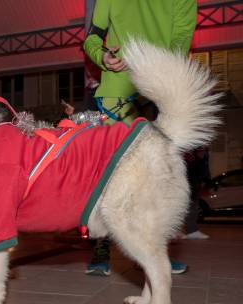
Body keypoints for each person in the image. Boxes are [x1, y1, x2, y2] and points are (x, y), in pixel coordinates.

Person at [83, 0, 197, 276]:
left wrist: (156, 67)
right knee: (106, 173)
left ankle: (153, 252)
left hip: (159, 90)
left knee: (156, 176)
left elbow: (182, 39)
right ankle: (101, 247)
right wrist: (103, 57)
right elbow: (92, 37)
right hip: (116, 91)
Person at [181, 148, 211, 239]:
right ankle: (188, 231)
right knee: (182, 206)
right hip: (187, 180)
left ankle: (191, 231)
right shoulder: (191, 149)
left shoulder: (202, 150)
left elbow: (204, 166)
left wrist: (204, 179)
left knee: (192, 206)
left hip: (194, 180)